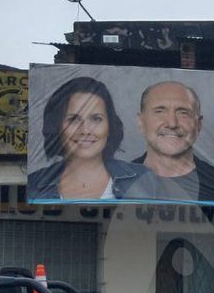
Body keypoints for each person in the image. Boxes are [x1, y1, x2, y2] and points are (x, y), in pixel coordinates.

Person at [28, 77, 162, 201]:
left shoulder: (144, 179)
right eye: (74, 119)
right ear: (57, 127)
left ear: (110, 126)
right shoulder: (34, 184)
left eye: (96, 119)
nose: (85, 130)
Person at [133, 80, 214, 204]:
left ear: (198, 124)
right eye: (160, 111)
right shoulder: (117, 183)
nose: (172, 123)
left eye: (183, 113)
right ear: (141, 121)